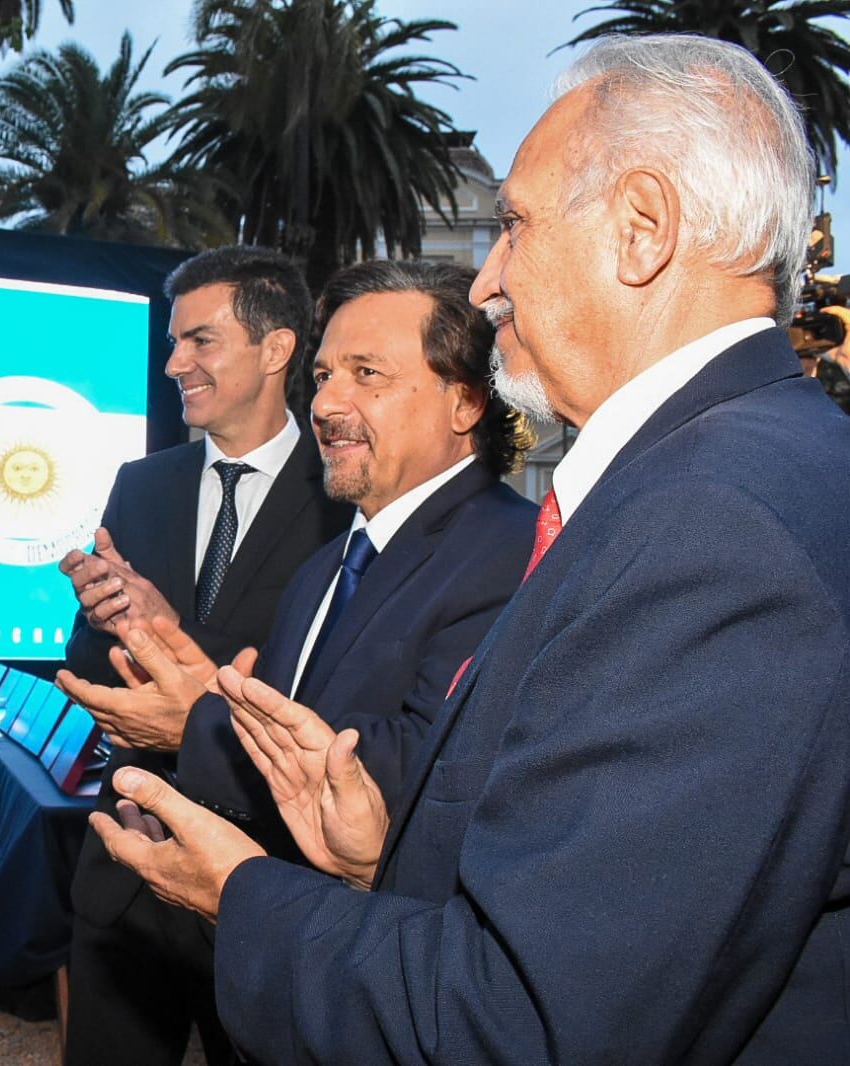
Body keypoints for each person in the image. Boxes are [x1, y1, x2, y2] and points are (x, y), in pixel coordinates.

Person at [92, 34, 850, 1064]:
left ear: (643, 230)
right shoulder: (750, 471)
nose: (488, 284)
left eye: (515, 224)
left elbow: (528, 1025)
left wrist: (245, 895)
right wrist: (375, 865)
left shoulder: (713, 525)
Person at [63, 257, 535, 847]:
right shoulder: (327, 569)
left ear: (465, 403)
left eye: (366, 373)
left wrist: (200, 722)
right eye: (323, 376)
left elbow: (422, 769)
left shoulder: (520, 556)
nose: (325, 405)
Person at [59, 246, 352, 1065]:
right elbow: (87, 661)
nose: (172, 362)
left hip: (266, 882)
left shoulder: (346, 496)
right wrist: (109, 620)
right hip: (129, 862)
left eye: (199, 341)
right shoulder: (140, 483)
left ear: (276, 349)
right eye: (172, 341)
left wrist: (186, 680)